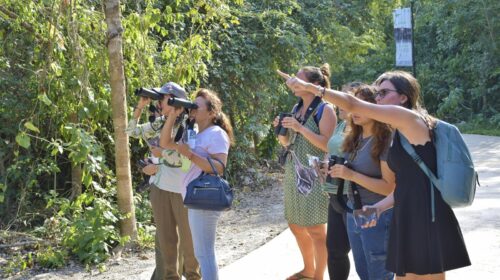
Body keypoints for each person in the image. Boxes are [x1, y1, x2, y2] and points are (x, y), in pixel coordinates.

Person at [278, 70, 471, 279]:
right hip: (408, 213)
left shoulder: (409, 119)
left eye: (384, 93)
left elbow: (353, 105)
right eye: (377, 94)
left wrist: (311, 88)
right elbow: (410, 184)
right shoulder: (398, 132)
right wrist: (377, 208)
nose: (378, 98)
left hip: (425, 216)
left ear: (404, 97)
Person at [127, 82, 201, 280]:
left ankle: (194, 276)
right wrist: (140, 107)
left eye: (163, 98)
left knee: (189, 242)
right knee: (166, 242)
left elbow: (187, 161)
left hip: (182, 191)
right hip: (161, 189)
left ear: (175, 100)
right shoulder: (160, 122)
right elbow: (131, 132)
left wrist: (163, 156)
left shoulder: (190, 125)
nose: (159, 102)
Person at [160, 88, 234, 280]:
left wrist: (190, 155)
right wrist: (173, 115)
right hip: (194, 198)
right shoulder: (194, 133)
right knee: (202, 253)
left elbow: (218, 167)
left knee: (205, 253)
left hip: (205, 197)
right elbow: (165, 142)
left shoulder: (216, 133)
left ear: (212, 112)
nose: (192, 109)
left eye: (196, 106)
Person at [274, 64, 336, 280]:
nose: (292, 82)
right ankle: (308, 269)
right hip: (294, 172)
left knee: (316, 229)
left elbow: (329, 145)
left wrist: (300, 128)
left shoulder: (325, 109)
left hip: (315, 174)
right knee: (295, 224)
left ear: (315, 85)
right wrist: (281, 131)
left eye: (298, 79)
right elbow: (287, 143)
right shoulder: (296, 107)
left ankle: (318, 275)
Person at [329, 85, 395, 279]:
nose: (353, 110)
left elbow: (389, 187)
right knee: (363, 271)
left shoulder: (385, 139)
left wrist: (351, 175)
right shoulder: (355, 136)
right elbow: (352, 171)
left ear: (375, 108)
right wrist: (333, 170)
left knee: (378, 272)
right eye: (353, 105)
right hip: (354, 210)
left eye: (360, 105)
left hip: (378, 212)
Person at [323, 82, 361, 280]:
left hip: (355, 196)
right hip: (335, 192)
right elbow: (335, 152)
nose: (338, 103)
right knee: (335, 249)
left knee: (364, 253)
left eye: (343, 98)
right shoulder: (340, 125)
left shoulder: (364, 128)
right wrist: (325, 165)